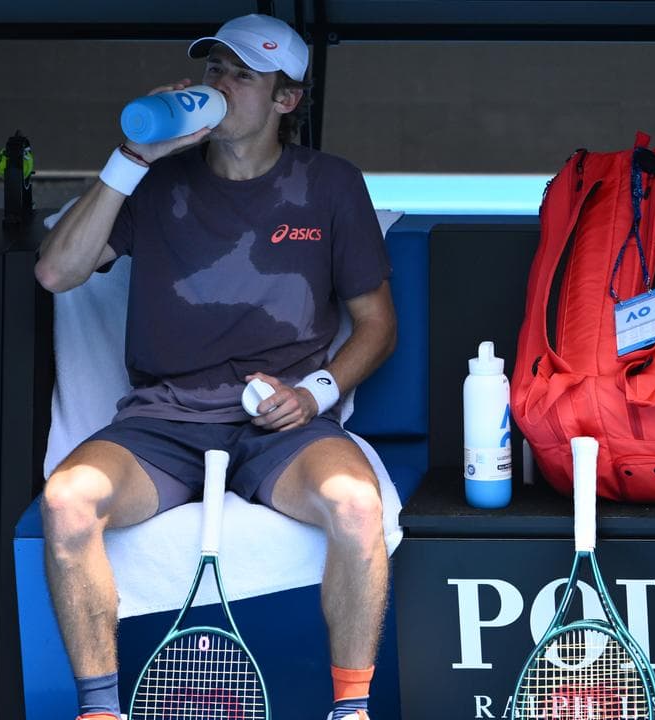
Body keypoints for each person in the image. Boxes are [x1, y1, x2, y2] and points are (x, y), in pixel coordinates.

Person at [34, 14, 395, 720]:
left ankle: (351, 710)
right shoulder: (154, 179)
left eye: (242, 75)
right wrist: (131, 157)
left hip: (281, 426)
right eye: (214, 69)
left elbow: (378, 325)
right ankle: (100, 710)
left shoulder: (330, 184)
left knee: (356, 505)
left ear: (286, 99)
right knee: (66, 501)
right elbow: (56, 272)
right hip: (163, 422)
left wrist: (315, 393)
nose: (220, 85)